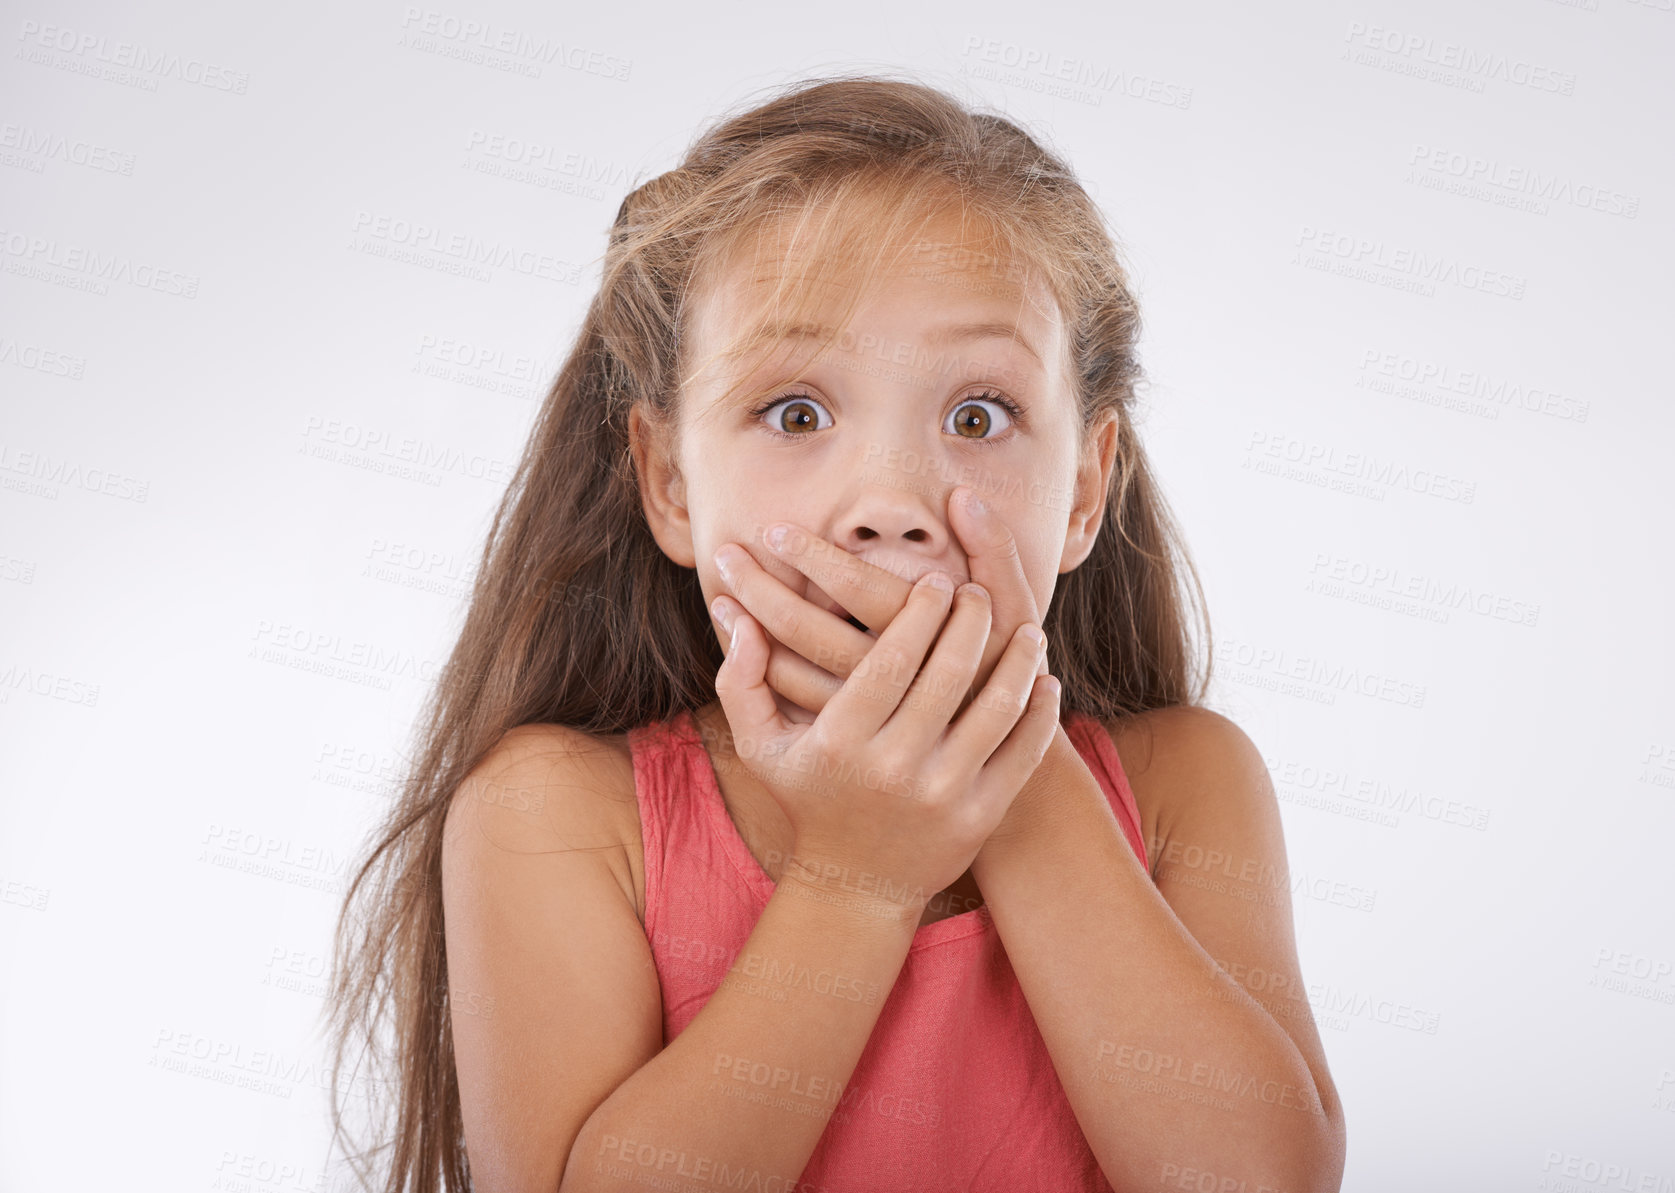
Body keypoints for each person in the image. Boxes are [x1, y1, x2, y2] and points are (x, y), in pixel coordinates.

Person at [324, 72, 1346, 1193]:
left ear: (1084, 490)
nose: (891, 498)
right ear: (668, 482)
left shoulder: (1185, 781)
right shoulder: (551, 811)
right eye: (796, 412)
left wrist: (1008, 769)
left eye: (977, 415)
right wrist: (858, 876)